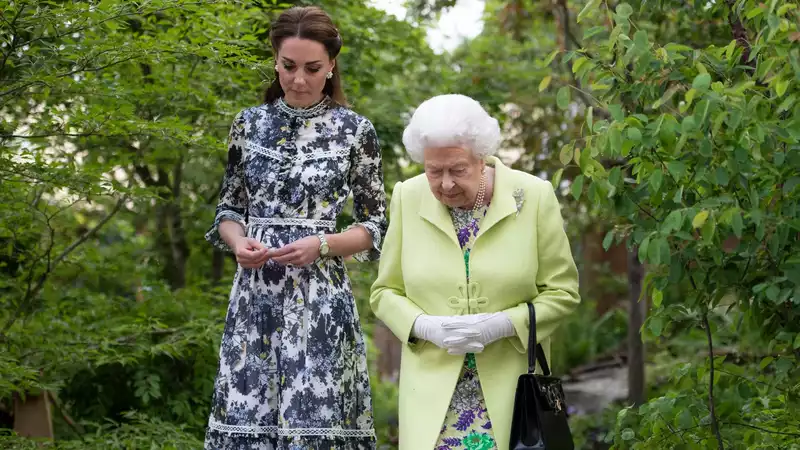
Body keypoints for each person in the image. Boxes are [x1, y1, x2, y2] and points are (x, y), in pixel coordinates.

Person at [204, 6, 386, 450]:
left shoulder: (355, 131)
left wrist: (323, 244)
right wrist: (237, 241)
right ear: (275, 61)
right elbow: (228, 210)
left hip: (320, 301)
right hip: (254, 301)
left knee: (316, 429)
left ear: (332, 66)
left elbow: (377, 224)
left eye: (312, 68)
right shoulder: (248, 124)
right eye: (288, 67)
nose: (298, 79)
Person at [370, 94, 580, 450]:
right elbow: (385, 292)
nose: (446, 184)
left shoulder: (533, 196)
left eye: (458, 170)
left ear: (481, 159)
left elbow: (563, 293)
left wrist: (501, 324)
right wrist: (425, 326)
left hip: (513, 396)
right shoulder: (408, 195)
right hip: (432, 398)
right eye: (434, 171)